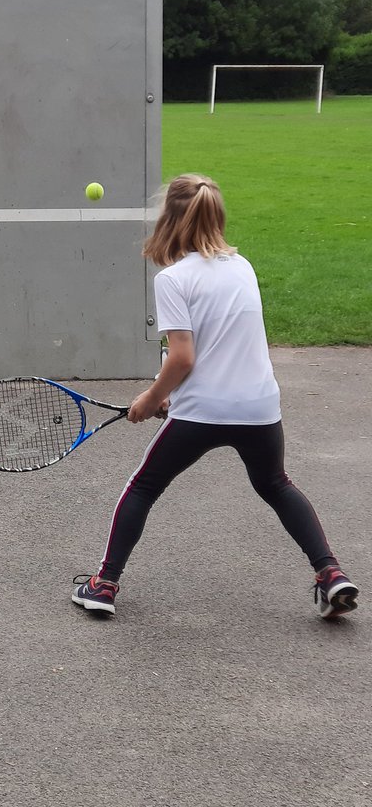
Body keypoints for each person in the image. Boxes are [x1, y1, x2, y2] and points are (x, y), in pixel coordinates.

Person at [72, 174, 358, 620]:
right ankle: (330, 574)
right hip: (259, 407)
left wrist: (150, 399)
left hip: (204, 413)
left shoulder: (172, 279)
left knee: (144, 487)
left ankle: (103, 585)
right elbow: (222, 347)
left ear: (169, 219)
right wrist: (170, 395)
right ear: (215, 216)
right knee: (276, 485)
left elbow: (184, 357)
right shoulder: (242, 267)